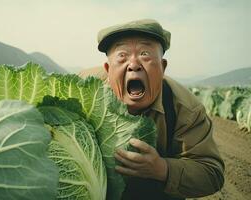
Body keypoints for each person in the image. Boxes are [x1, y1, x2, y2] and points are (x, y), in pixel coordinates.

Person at [96, 19, 225, 199]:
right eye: (122, 56)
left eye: (145, 54)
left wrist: (162, 169)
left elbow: (212, 174)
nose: (133, 64)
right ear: (108, 69)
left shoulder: (186, 110)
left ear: (163, 67)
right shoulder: (86, 93)